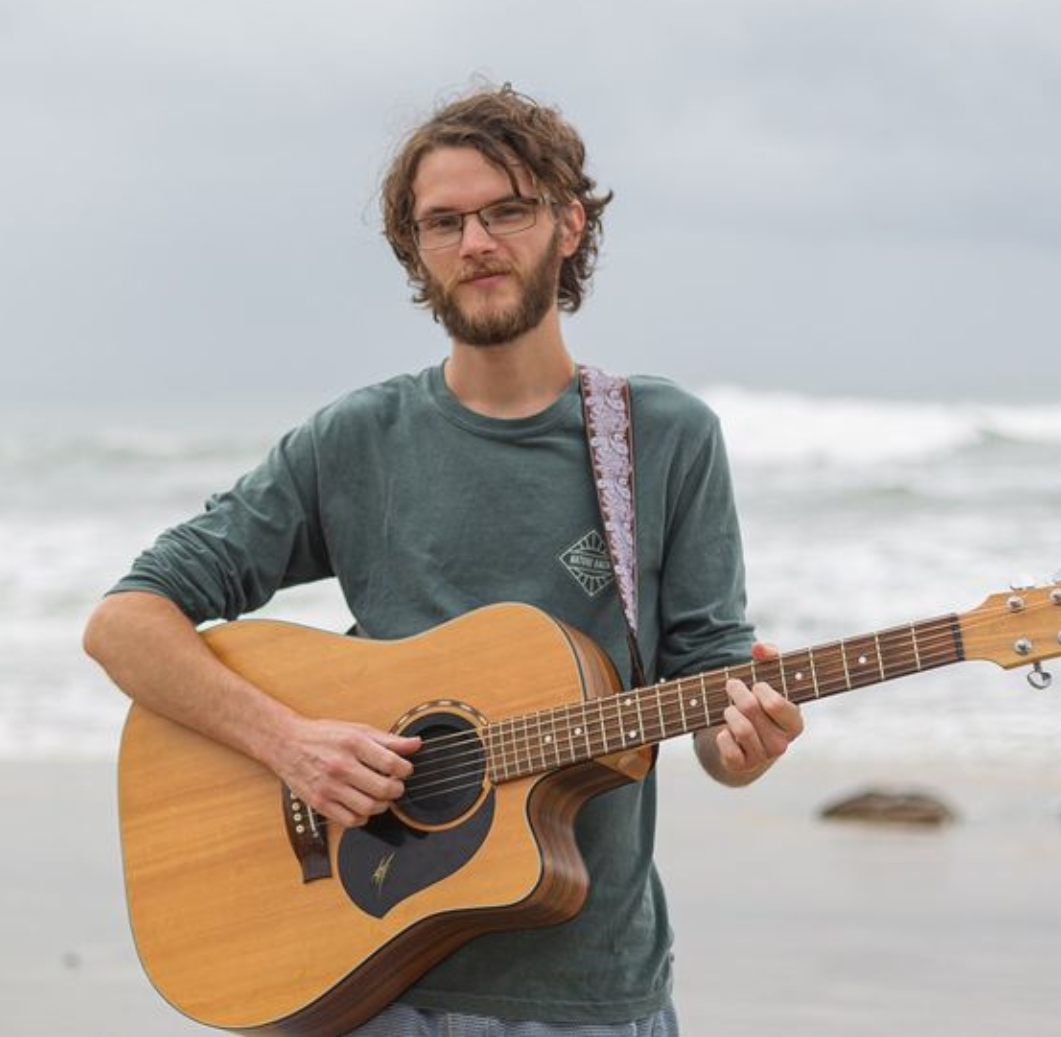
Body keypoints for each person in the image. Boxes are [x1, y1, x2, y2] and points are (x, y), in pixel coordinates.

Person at [84, 84, 804, 1036]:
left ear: (569, 223)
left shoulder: (660, 439)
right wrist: (289, 744)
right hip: (367, 978)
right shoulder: (356, 441)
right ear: (414, 250)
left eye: (508, 210)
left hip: (588, 990)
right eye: (444, 221)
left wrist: (744, 744)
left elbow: (712, 708)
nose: (478, 242)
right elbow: (125, 622)